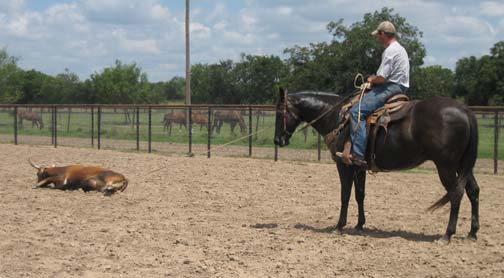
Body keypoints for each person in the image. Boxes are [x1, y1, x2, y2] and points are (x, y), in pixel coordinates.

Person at [347, 21, 410, 167]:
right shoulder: (400, 49)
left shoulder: (389, 51)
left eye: (378, 35)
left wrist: (370, 80)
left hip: (391, 87)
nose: (377, 39)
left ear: (383, 34)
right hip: (401, 87)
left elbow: (381, 78)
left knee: (357, 111)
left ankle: (358, 155)